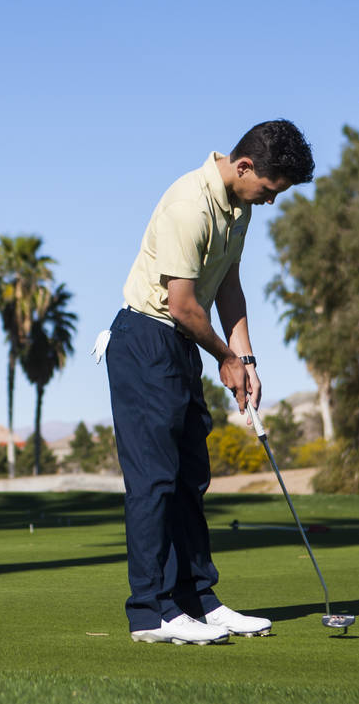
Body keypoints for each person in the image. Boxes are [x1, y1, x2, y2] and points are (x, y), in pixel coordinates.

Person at [104, 120, 315, 645]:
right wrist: (225, 357)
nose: (269, 202)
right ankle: (150, 613)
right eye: (268, 190)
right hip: (145, 339)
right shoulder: (189, 205)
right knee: (154, 481)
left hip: (178, 345)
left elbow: (229, 288)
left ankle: (198, 601)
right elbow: (182, 305)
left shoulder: (238, 208)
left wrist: (247, 358)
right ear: (244, 167)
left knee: (190, 478)